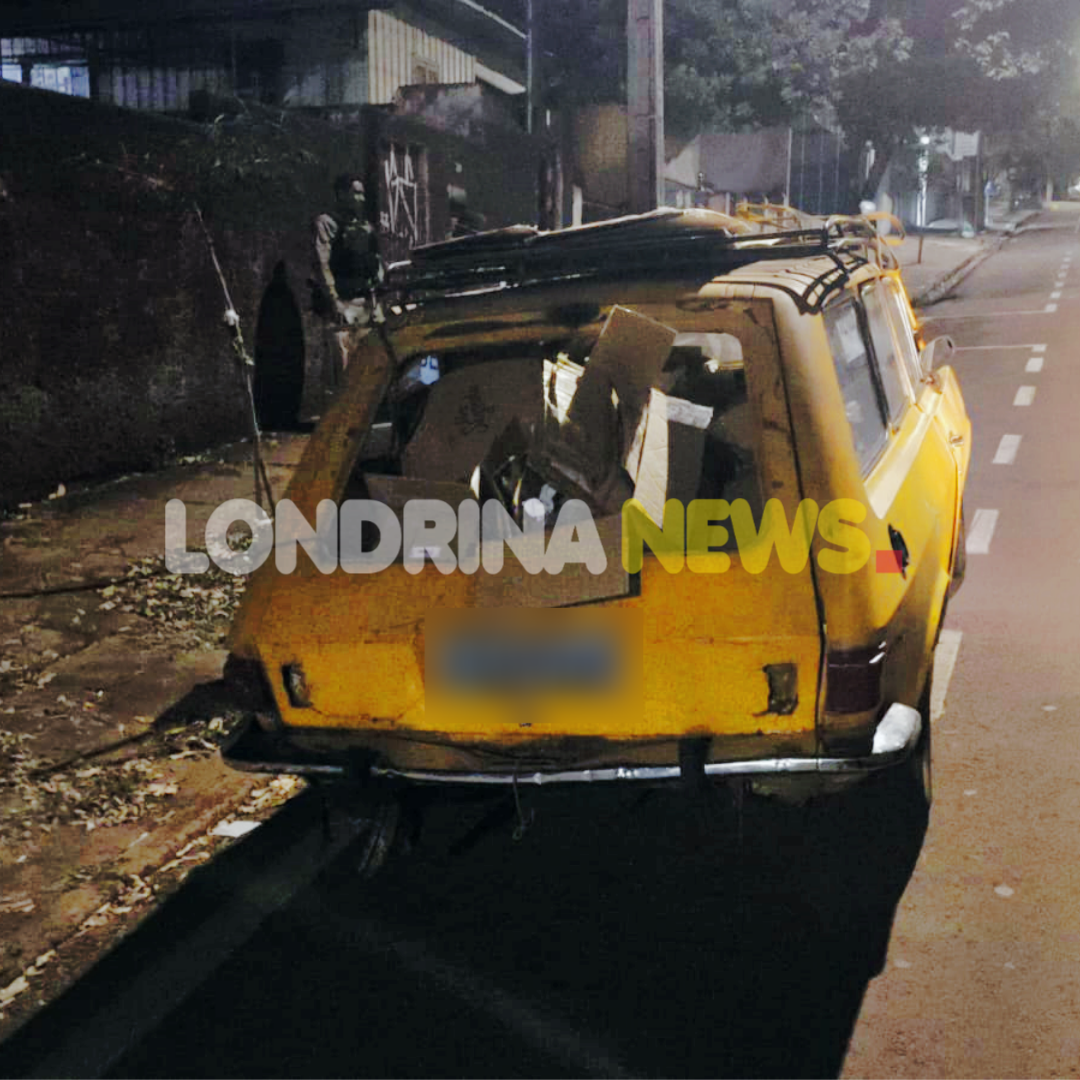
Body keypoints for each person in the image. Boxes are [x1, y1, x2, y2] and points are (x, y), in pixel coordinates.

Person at [313, 174, 384, 377]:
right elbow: (322, 265)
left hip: (366, 304)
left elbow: (376, 262)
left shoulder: (367, 228)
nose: (360, 198)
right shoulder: (327, 223)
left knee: (371, 368)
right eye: (356, 193)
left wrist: (376, 294)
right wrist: (333, 299)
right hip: (343, 305)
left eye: (362, 194)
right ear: (341, 194)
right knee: (343, 369)